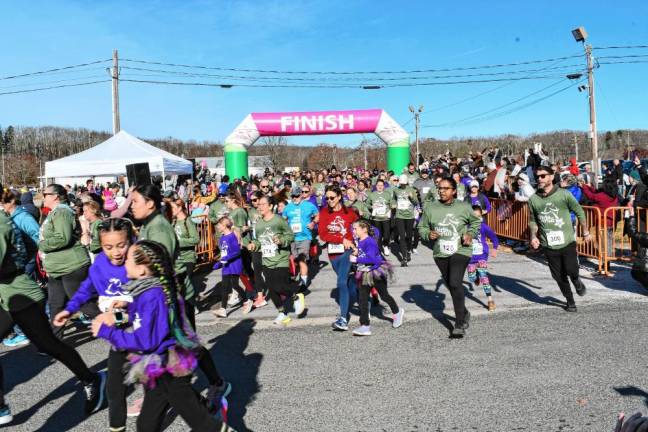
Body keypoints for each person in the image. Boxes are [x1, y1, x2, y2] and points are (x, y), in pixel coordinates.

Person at [91, 240, 236, 432]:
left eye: (128, 259)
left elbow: (145, 341)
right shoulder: (146, 290)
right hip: (158, 369)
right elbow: (140, 320)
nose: (124, 261)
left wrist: (105, 331)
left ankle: (214, 412)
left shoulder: (151, 295)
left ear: (142, 270)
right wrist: (115, 316)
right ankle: (212, 408)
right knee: (146, 425)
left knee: (203, 424)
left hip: (169, 369)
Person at [0, 185, 106, 425]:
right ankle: (1, 408)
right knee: (50, 335)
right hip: (9, 294)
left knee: (48, 343)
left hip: (20, 294)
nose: (43, 198)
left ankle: (91, 379)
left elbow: (42, 241)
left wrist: (40, 249)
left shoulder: (2, 223)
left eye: (47, 194)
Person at [53, 218, 134, 431]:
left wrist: (118, 313)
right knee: (115, 386)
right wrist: (69, 309)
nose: (116, 252)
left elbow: (151, 306)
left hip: (149, 332)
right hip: (122, 336)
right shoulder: (99, 263)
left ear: (131, 240)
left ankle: (207, 410)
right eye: (109, 247)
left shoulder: (138, 260)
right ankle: (117, 427)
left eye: (121, 245)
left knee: (172, 389)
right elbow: (86, 288)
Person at [418, 177, 481, 337]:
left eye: (446, 188)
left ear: (454, 191)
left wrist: (469, 234)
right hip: (440, 252)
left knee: (454, 282)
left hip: (461, 250)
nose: (442, 191)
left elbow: (476, 222)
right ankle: (464, 312)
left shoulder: (463, 207)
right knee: (451, 284)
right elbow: (422, 227)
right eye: (440, 188)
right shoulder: (430, 208)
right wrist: (428, 234)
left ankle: (459, 323)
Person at [528, 161, 590, 312]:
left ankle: (576, 280)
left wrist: (586, 231)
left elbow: (579, 211)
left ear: (551, 177)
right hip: (548, 244)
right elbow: (533, 220)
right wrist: (533, 236)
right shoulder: (533, 199)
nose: (540, 179)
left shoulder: (564, 194)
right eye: (538, 177)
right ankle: (570, 301)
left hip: (567, 241)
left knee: (571, 270)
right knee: (559, 277)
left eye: (543, 176)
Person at [39, 184, 96, 339]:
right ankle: (54, 342)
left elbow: (63, 238)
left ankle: (114, 325)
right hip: (57, 268)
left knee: (82, 303)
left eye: (45, 194)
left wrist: (41, 244)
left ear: (55, 196)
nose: (42, 196)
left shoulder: (62, 212)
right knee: (55, 304)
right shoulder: (55, 212)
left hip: (72, 266)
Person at [247, 196, 305, 325]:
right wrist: (253, 245)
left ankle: (296, 296)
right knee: (272, 289)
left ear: (270, 206)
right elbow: (258, 240)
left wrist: (281, 241)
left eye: (262, 204)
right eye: (259, 205)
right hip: (267, 259)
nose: (259, 207)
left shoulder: (278, 220)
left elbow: (290, 235)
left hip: (281, 258)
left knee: (280, 286)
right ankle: (282, 314)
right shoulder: (259, 223)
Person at [349, 219, 404, 336]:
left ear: (364, 229)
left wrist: (357, 259)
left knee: (384, 296)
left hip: (375, 273)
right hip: (363, 273)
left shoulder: (370, 242)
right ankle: (365, 326)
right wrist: (357, 252)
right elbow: (364, 253)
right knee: (362, 300)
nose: (353, 230)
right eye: (353, 228)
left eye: (355, 228)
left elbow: (374, 260)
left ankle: (397, 312)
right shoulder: (360, 239)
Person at [318, 185, 358, 331]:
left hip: (347, 252)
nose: (329, 200)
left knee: (341, 282)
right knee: (347, 282)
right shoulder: (323, 212)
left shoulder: (350, 213)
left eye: (332, 197)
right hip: (333, 254)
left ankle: (343, 319)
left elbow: (360, 228)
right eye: (327, 198)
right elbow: (323, 234)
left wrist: (356, 243)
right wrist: (341, 239)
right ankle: (359, 290)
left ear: (339, 197)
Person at [282, 186, 319, 290]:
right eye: (293, 196)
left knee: (302, 260)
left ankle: (303, 284)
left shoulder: (309, 205)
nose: (295, 198)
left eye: (297, 196)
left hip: (304, 237)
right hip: (292, 238)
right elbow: (283, 220)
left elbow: (317, 215)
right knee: (295, 260)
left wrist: (313, 223)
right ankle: (298, 273)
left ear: (301, 195)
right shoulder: (288, 207)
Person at [211, 216, 247, 317]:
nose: (217, 227)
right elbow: (224, 252)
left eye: (219, 225)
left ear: (224, 226)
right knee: (224, 287)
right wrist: (220, 262)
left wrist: (226, 258)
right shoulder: (222, 238)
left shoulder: (231, 236)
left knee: (235, 285)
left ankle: (247, 300)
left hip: (234, 264)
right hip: (226, 265)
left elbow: (237, 252)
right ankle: (223, 309)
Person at [467, 205, 499, 311]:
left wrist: (495, 248)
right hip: (470, 256)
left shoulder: (484, 227)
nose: (476, 219)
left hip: (482, 255)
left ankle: (490, 300)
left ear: (481, 216)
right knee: (471, 277)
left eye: (478, 216)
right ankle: (475, 277)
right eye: (473, 216)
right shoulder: (465, 227)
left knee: (484, 276)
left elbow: (494, 238)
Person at [392, 174, 419, 267]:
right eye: (401, 183)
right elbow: (393, 200)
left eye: (404, 183)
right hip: (399, 216)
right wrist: (393, 204)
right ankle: (404, 258)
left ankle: (408, 251)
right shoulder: (396, 190)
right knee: (402, 237)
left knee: (409, 236)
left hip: (410, 216)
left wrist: (412, 197)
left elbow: (416, 202)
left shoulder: (411, 189)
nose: (403, 185)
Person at [366, 179, 394, 256]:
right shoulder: (372, 194)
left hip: (385, 217)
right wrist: (372, 206)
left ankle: (385, 245)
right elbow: (367, 204)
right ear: (376, 186)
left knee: (387, 234)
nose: (380, 187)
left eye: (381, 185)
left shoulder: (387, 194)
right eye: (378, 185)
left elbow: (392, 203)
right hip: (376, 218)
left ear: (384, 186)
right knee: (378, 235)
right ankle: (378, 249)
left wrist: (392, 207)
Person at [625, 207, 648, 290]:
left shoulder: (646, 238)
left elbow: (632, 232)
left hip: (641, 271)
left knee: (636, 273)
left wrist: (631, 215)